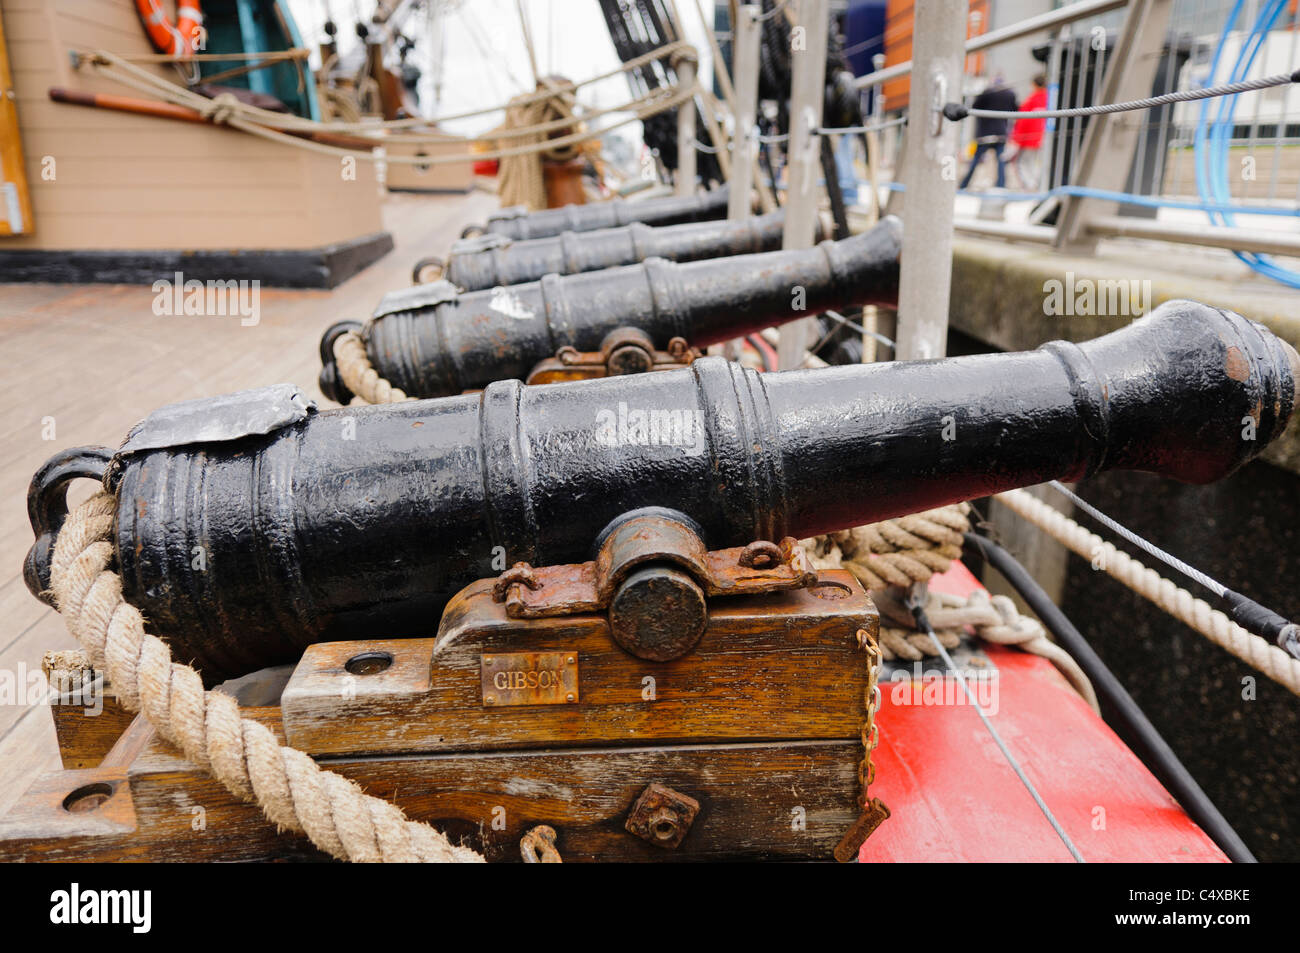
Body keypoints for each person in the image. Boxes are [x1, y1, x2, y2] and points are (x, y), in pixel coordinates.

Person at [958, 75, 1017, 190]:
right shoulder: (1009, 94)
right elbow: (1015, 109)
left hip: (984, 133)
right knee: (1000, 160)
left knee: (976, 160)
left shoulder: (986, 93)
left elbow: (975, 107)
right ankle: (1001, 185)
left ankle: (964, 184)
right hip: (1000, 132)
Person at [1007, 74, 1049, 190]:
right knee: (1033, 162)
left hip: (1028, 138)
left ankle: (1029, 186)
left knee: (1021, 163)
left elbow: (1023, 120)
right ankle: (1035, 184)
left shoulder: (1032, 99)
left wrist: (1016, 138)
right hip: (1040, 136)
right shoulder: (1048, 98)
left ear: (1034, 84)